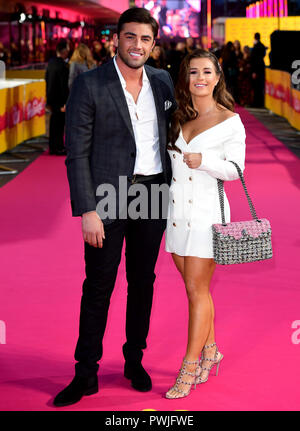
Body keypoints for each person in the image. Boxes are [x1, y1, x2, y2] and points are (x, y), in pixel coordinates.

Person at [53, 7, 176, 407]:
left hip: (153, 193)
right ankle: (85, 372)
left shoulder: (162, 81)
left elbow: (176, 131)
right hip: (109, 196)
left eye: (145, 39)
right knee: (99, 286)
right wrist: (87, 209)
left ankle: (133, 361)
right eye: (130, 37)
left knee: (143, 283)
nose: (137, 45)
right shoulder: (91, 83)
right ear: (116, 40)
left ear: (153, 44)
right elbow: (76, 154)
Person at [164, 49, 246, 399]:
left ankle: (190, 365)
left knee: (197, 290)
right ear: (186, 77)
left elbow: (237, 169)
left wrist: (207, 160)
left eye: (206, 72)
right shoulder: (178, 115)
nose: (200, 78)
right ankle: (211, 350)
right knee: (193, 289)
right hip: (177, 214)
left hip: (207, 216)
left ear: (217, 77)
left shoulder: (231, 120)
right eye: (193, 71)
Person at [45, 39, 70, 155]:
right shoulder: (63, 66)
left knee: (54, 122)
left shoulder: (50, 63)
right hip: (60, 99)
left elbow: (47, 80)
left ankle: (53, 146)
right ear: (64, 51)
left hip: (51, 97)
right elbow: (63, 85)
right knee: (59, 124)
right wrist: (65, 101)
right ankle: (59, 147)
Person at [250, 32, 267, 108]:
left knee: (256, 87)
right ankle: (259, 103)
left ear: (255, 37)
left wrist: (254, 71)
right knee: (260, 87)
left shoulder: (257, 46)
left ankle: (257, 103)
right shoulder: (262, 46)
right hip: (260, 68)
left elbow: (254, 59)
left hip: (257, 69)